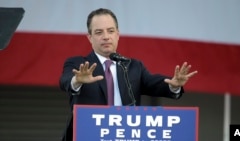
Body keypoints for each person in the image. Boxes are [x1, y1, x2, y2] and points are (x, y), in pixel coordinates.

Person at [59, 8, 198, 141]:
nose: (106, 37)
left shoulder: (132, 66)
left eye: (110, 31)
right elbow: (65, 81)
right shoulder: (79, 64)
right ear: (90, 37)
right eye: (99, 32)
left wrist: (174, 85)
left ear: (117, 34)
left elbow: (154, 83)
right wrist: (76, 81)